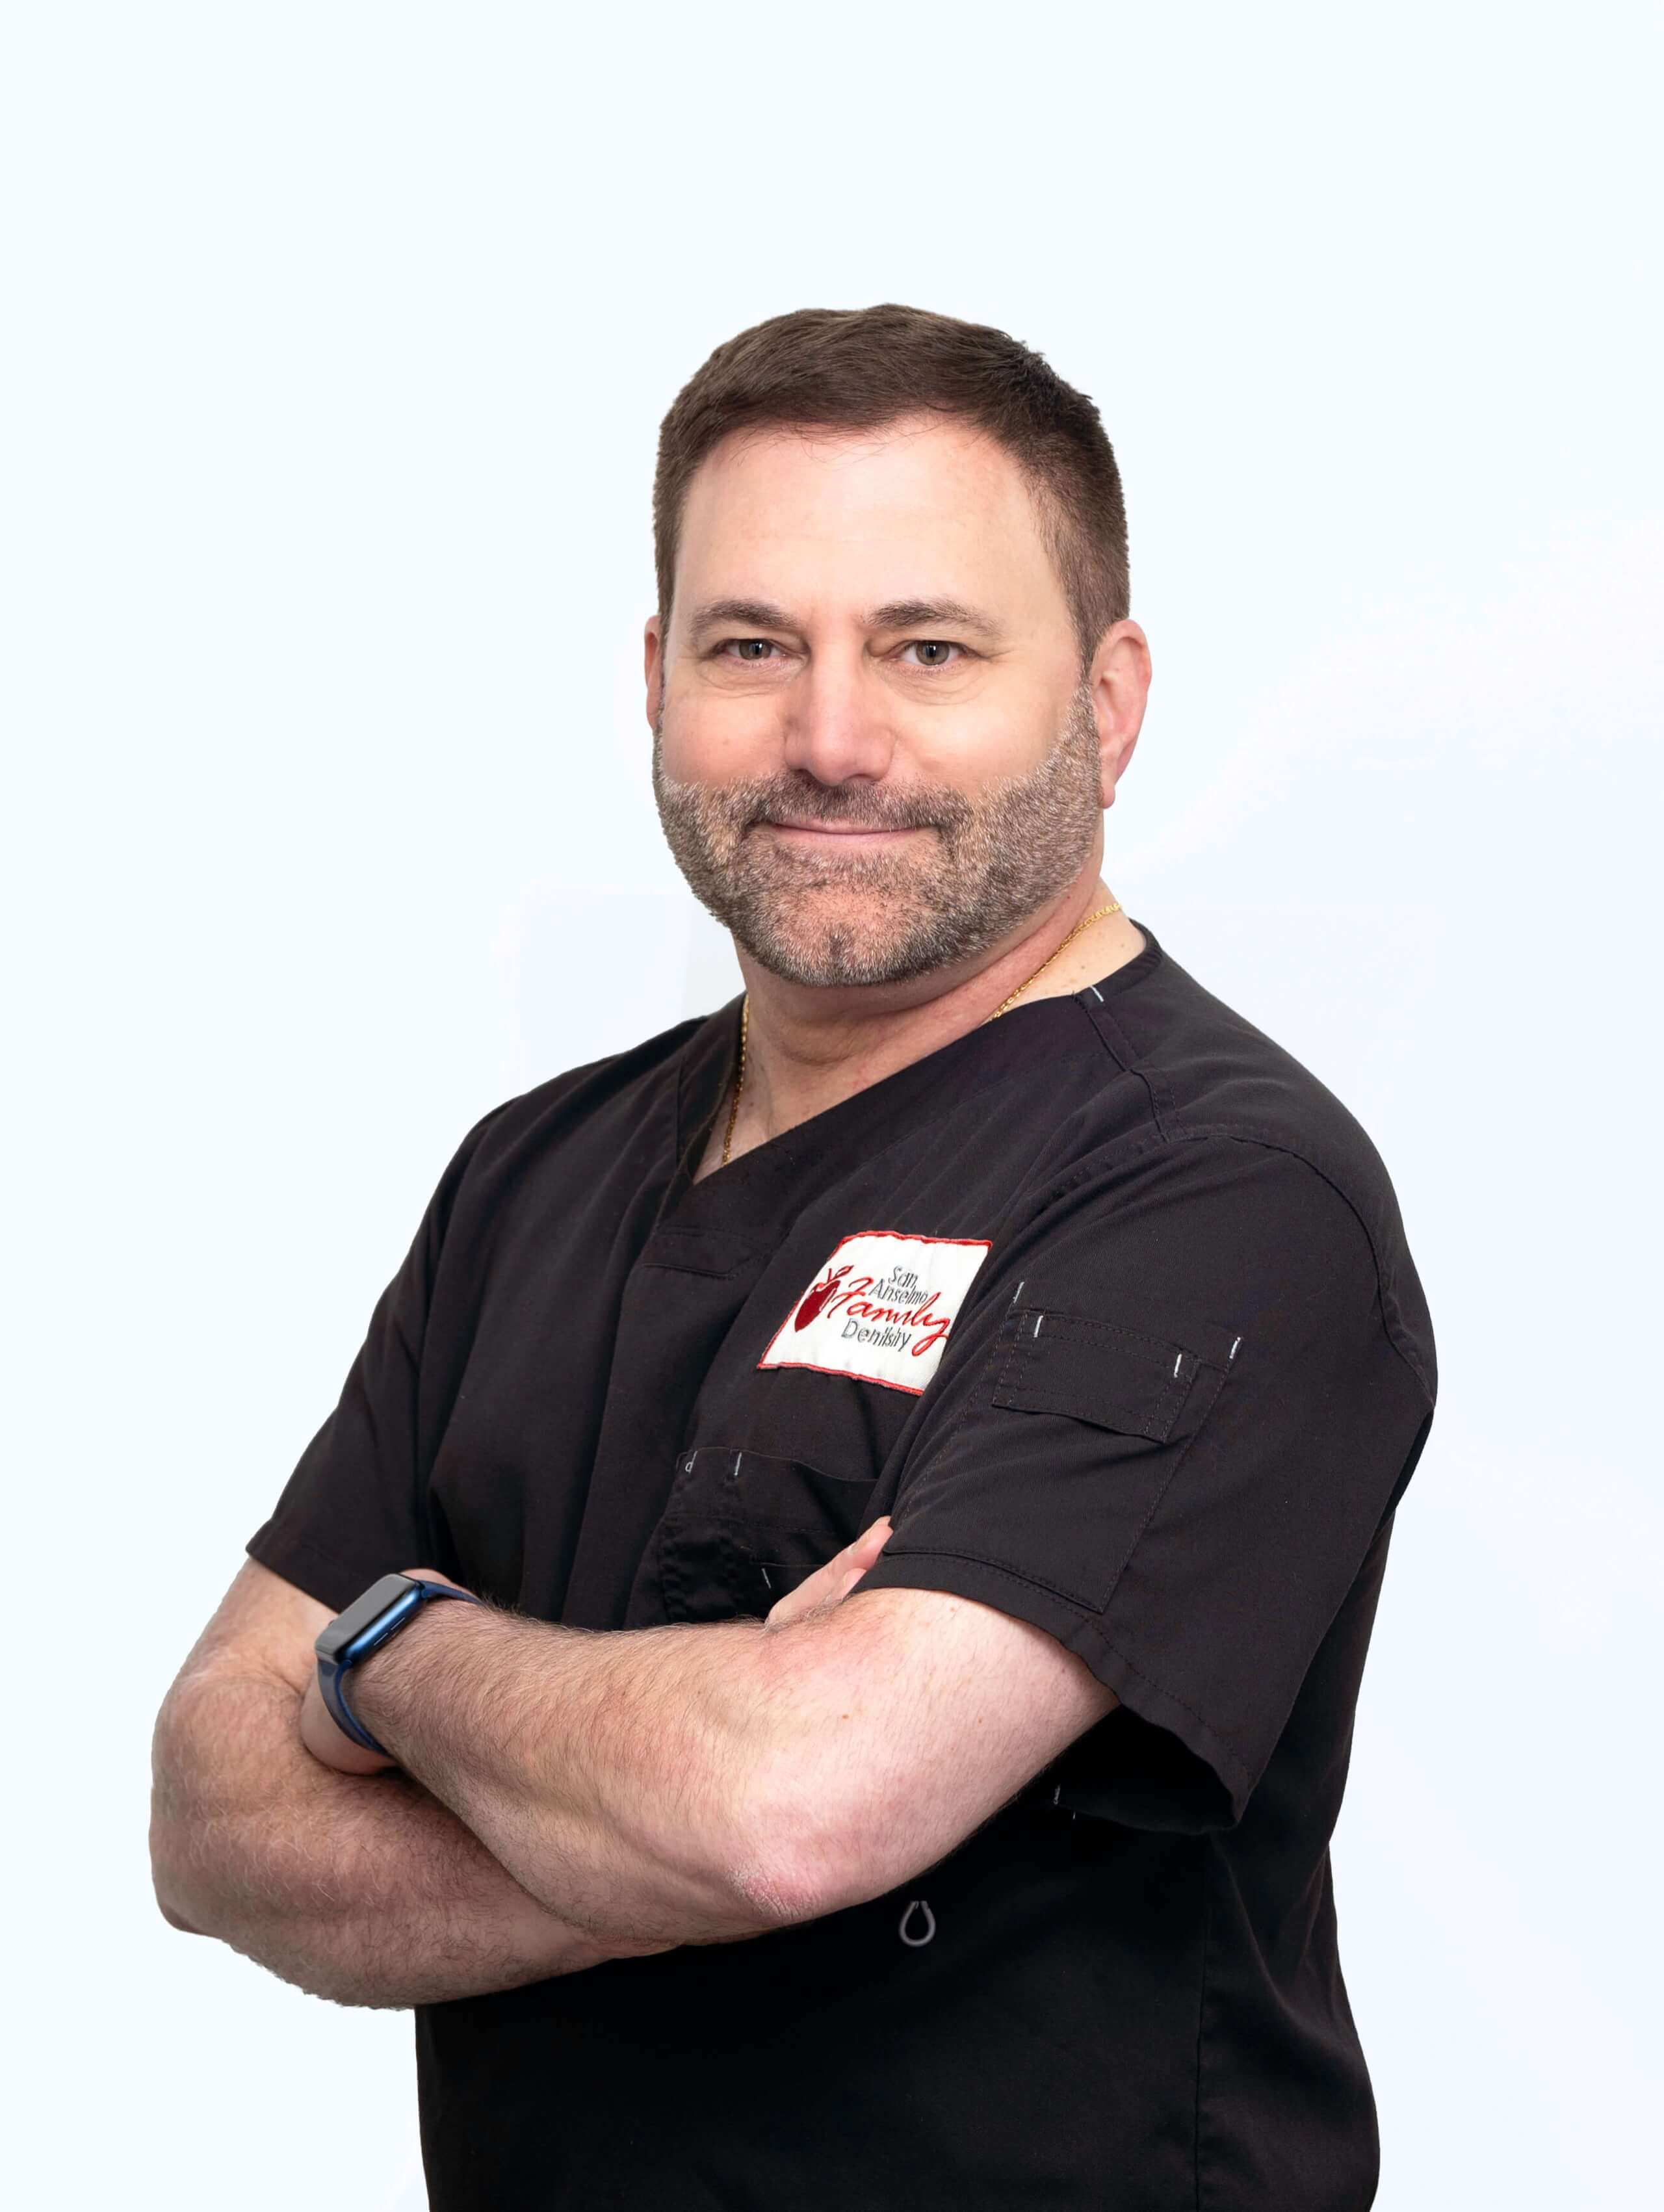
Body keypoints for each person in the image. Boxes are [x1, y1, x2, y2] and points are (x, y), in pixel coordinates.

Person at [150, 303, 1436, 2211]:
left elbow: (785, 1809)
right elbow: (203, 1811)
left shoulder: (1224, 1198)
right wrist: (636, 1806)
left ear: (1108, 700)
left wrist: (386, 1651)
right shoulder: (534, 1173)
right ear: (660, 677)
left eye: (928, 648)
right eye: (757, 648)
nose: (832, 739)